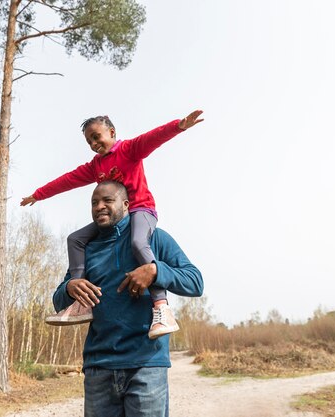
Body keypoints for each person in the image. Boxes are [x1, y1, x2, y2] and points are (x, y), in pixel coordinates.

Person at [21, 110, 204, 339]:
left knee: (138, 243)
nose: (94, 144)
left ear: (112, 132)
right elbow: (67, 180)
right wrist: (38, 195)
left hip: (140, 210)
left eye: (97, 137)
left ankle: (161, 306)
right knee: (74, 239)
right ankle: (81, 304)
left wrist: (179, 126)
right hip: (115, 219)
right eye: (89, 141)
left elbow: (153, 138)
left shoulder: (129, 149)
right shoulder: (95, 166)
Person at [53, 181, 203, 417]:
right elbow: (58, 300)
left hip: (146, 366)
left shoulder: (155, 239)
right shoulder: (86, 249)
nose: (99, 206)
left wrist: (155, 271)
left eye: (107, 200)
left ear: (126, 204)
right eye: (94, 202)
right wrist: (70, 287)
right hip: (98, 368)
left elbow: (195, 282)